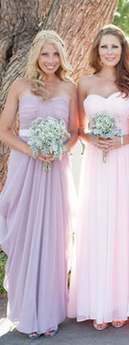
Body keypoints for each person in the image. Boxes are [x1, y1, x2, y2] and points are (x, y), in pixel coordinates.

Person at [0, 30, 78, 338]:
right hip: (26, 163)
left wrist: (58, 149)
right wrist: (33, 149)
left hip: (56, 167)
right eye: (45, 54)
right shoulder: (20, 86)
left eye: (55, 54)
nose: (50, 60)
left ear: (62, 58)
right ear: (36, 55)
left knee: (52, 235)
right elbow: (4, 130)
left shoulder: (70, 88)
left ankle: (48, 313)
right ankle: (26, 313)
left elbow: (74, 132)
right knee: (24, 234)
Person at [67, 25, 129, 330]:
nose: (109, 52)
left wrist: (121, 141)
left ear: (123, 50)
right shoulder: (83, 84)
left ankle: (121, 303)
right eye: (104, 47)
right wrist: (92, 139)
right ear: (96, 50)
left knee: (125, 227)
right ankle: (97, 303)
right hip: (98, 162)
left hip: (126, 159)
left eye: (114, 47)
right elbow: (77, 130)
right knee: (98, 225)